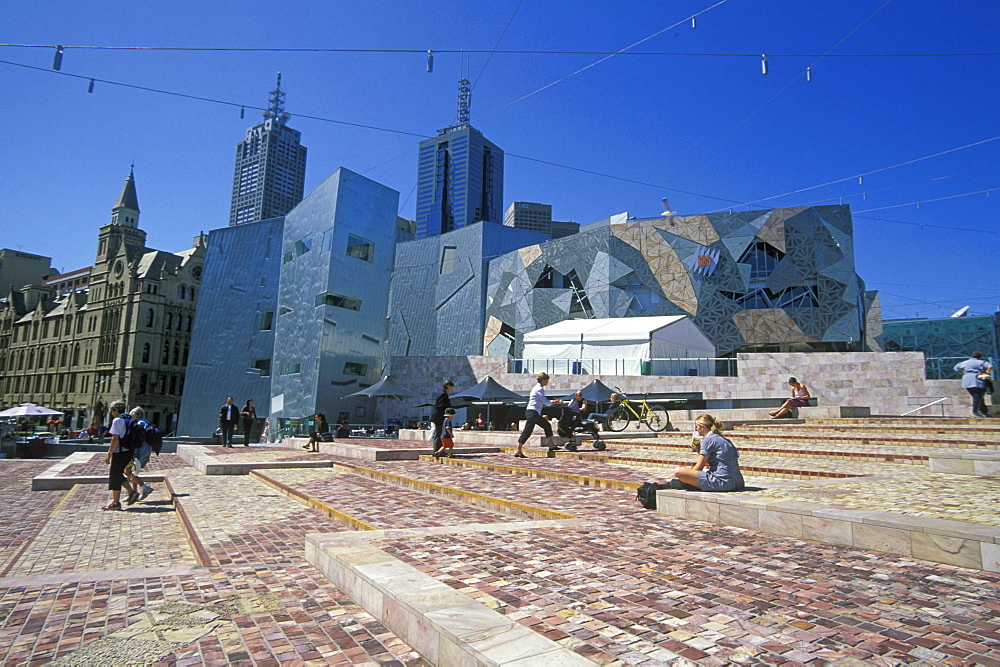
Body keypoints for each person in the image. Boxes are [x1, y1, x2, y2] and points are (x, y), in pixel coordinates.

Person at [672, 414, 745, 492]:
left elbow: (698, 467)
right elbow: (710, 461)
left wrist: (689, 478)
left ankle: (688, 484)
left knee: (679, 472)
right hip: (738, 482)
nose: (696, 429)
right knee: (705, 471)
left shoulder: (708, 440)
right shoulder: (723, 439)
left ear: (701, 427)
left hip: (723, 483)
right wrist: (698, 449)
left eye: (696, 427)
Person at [514, 373, 562, 458]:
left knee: (547, 425)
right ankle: (518, 449)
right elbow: (545, 402)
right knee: (528, 430)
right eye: (546, 380)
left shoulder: (537, 388)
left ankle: (551, 445)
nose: (547, 382)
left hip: (534, 412)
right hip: (533, 412)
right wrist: (556, 402)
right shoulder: (539, 389)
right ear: (543, 380)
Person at [101, 400, 137, 510]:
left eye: (112, 411)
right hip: (130, 451)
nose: (111, 413)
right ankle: (131, 493)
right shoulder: (131, 419)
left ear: (116, 410)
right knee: (117, 475)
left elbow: (115, 438)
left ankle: (116, 502)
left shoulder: (117, 421)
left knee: (114, 476)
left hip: (119, 452)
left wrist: (109, 454)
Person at [124, 406, 155, 504]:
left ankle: (144, 488)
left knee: (128, 471)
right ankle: (134, 493)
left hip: (139, 451)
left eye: (132, 416)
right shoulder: (147, 422)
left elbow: (136, 438)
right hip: (146, 450)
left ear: (136, 415)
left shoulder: (139, 423)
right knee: (134, 472)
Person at [955, 351, 994, 418]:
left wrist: (964, 373)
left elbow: (956, 368)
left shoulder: (964, 362)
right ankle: (975, 412)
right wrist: (987, 373)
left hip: (967, 380)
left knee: (979, 397)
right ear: (980, 356)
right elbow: (990, 366)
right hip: (977, 380)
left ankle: (985, 412)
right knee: (977, 396)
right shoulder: (981, 362)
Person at [430, 380, 455, 453]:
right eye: (451, 387)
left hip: (439, 418)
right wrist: (449, 410)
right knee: (439, 434)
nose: (452, 389)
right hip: (439, 418)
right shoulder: (443, 395)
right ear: (447, 386)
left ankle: (439, 450)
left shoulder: (444, 394)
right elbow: (441, 407)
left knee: (440, 434)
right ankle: (436, 450)